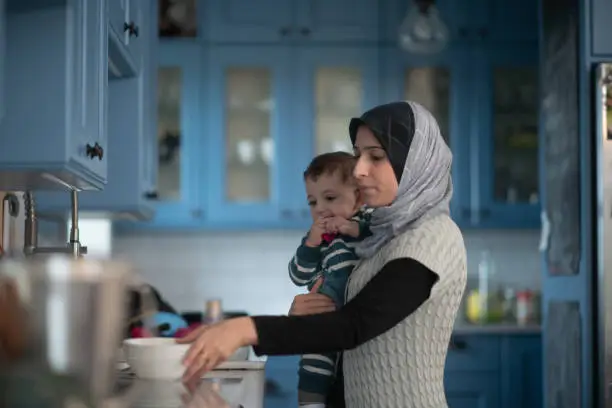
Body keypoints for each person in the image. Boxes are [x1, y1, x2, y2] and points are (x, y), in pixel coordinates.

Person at [177, 101, 467, 408]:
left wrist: (245, 329)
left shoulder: (432, 236)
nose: (358, 170)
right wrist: (308, 312)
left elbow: (356, 325)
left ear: (415, 163)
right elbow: (348, 334)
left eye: (376, 156)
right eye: (357, 155)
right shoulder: (379, 234)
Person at [288, 152, 370, 407]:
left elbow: (381, 234)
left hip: (354, 328)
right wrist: (311, 243)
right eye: (312, 202)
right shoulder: (317, 242)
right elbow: (297, 275)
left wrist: (353, 229)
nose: (320, 208)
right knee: (313, 363)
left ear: (357, 200)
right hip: (323, 320)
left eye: (330, 198)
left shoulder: (365, 226)